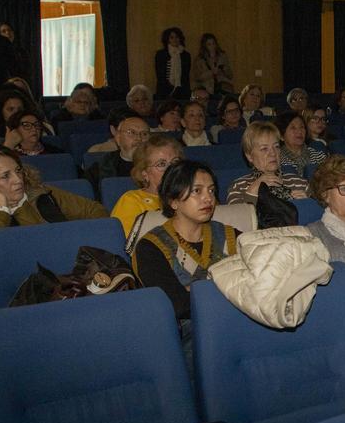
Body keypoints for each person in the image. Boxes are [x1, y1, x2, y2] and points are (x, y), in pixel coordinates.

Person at [0, 144, 108, 261]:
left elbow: (95, 210)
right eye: (5, 176)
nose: (18, 180)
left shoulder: (42, 193)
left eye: (18, 170)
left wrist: (77, 240)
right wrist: (1, 207)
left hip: (70, 266)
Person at [132, 160, 236, 321]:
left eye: (211, 190)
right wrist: (231, 285)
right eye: (197, 191)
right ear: (173, 201)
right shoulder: (150, 247)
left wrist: (193, 289)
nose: (208, 198)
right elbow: (177, 306)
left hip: (237, 322)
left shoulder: (229, 234)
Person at [111, 135, 185, 237]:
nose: (171, 169)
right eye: (161, 164)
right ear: (144, 173)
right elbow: (129, 244)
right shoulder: (132, 201)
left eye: (175, 162)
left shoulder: (193, 194)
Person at [226, 122, 309, 205]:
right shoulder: (239, 187)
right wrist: (252, 192)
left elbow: (317, 214)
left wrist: (307, 204)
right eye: (264, 149)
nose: (273, 153)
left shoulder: (299, 183)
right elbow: (238, 216)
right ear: (249, 156)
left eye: (276, 146)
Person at [86, 108, 150, 189]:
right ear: (118, 138)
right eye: (131, 133)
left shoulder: (158, 165)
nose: (139, 138)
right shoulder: (101, 167)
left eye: (144, 134)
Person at [153, 26, 191, 100]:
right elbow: (160, 73)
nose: (175, 39)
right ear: (167, 39)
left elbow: (186, 74)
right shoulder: (161, 54)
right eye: (172, 37)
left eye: (177, 37)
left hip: (182, 90)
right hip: (164, 90)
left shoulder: (186, 55)